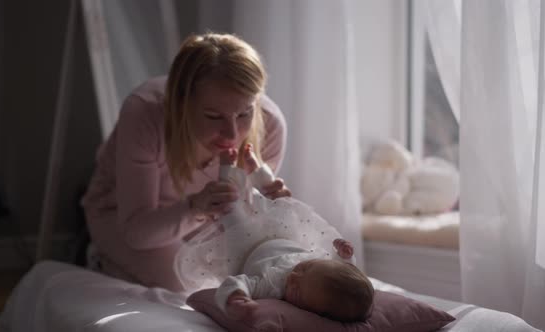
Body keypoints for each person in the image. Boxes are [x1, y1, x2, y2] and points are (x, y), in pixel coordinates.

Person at [80, 33, 290, 291]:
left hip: (207, 227)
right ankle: (104, 258)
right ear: (182, 105)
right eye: (213, 116)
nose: (232, 134)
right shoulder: (144, 114)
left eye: (245, 113)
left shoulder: (270, 124)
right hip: (125, 219)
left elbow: (242, 223)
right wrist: (196, 208)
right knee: (190, 285)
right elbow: (137, 231)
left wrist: (272, 208)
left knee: (266, 278)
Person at [176, 147, 374, 322]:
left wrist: (237, 297)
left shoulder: (272, 287)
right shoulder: (322, 269)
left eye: (297, 290)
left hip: (245, 251)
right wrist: (345, 255)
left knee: (230, 211)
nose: (295, 274)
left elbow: (238, 282)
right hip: (282, 235)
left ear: (312, 313)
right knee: (281, 203)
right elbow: (344, 269)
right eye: (307, 266)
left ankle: (225, 171)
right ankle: (259, 171)